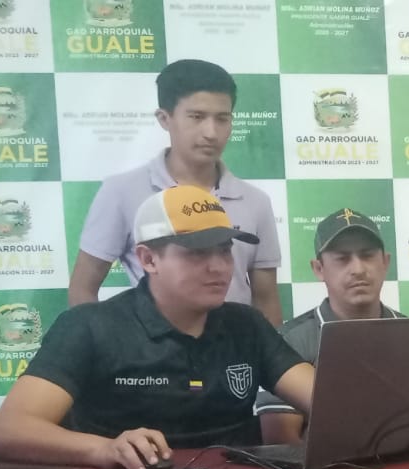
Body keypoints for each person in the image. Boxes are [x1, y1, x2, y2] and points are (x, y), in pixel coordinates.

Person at [0, 186, 314, 469]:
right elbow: (8, 430)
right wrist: (104, 449)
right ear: (148, 259)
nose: (219, 266)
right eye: (198, 252)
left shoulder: (247, 325)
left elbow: (325, 401)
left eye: (224, 250)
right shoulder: (88, 326)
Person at [68, 58, 283, 326]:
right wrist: (109, 346)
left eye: (222, 119)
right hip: (153, 347)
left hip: (236, 348)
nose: (211, 132)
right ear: (164, 119)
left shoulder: (255, 201)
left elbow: (266, 299)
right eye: (197, 117)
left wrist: (270, 352)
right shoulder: (121, 192)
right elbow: (83, 288)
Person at [254, 208, 404, 444]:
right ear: (319, 269)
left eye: (367, 255)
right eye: (342, 258)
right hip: (326, 468)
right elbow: (280, 441)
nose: (358, 269)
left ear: (385, 263)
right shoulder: (288, 342)